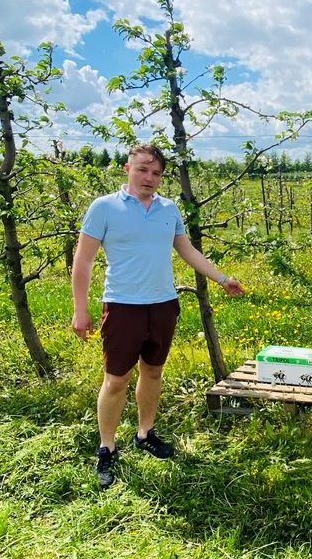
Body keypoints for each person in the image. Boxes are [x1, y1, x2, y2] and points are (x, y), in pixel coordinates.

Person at [71, 144, 244, 488]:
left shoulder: (169, 209)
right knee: (116, 379)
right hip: (122, 306)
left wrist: (222, 279)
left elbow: (186, 249)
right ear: (127, 169)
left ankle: (145, 432)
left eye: (156, 173)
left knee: (152, 373)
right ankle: (106, 447)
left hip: (163, 305)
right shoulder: (104, 208)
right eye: (142, 170)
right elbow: (84, 260)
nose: (149, 178)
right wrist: (80, 309)